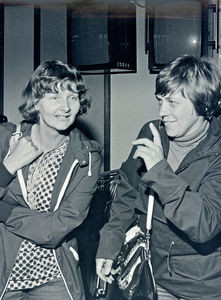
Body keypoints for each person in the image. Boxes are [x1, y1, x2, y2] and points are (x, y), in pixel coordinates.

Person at [96, 55, 221, 299]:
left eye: (173, 103)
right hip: (153, 276)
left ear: (203, 104)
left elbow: (205, 224)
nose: (162, 112)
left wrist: (159, 171)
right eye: (160, 101)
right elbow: (126, 195)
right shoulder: (152, 133)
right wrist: (110, 243)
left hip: (204, 286)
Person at [0, 60, 101, 300]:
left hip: (54, 274)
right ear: (36, 102)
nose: (65, 107)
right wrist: (9, 165)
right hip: (4, 268)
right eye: (54, 97)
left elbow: (55, 230)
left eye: (72, 98)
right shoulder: (5, 139)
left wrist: (3, 211)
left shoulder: (87, 157)